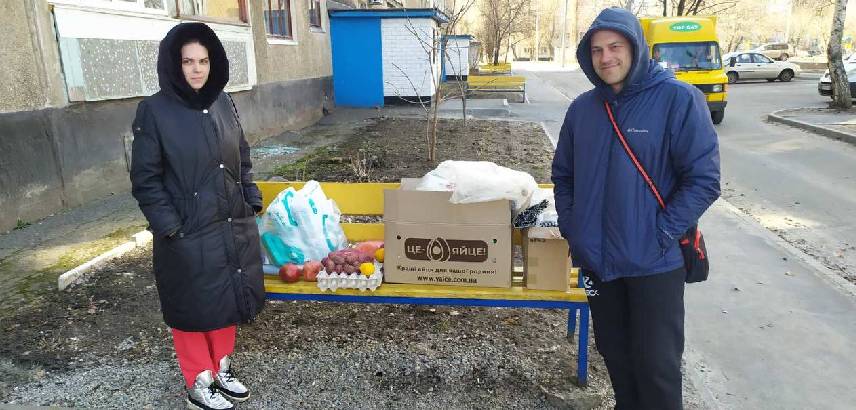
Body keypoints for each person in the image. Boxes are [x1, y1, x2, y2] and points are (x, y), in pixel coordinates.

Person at [551, 8, 720, 410]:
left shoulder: (678, 100)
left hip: (654, 264)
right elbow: (564, 176)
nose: (606, 57)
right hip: (599, 264)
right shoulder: (582, 110)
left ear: (636, 48)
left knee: (657, 369)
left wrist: (661, 232)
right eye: (596, 50)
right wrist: (574, 228)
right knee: (618, 362)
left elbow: (704, 180)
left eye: (615, 47)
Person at [130, 22, 265, 410]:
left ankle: (221, 367)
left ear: (213, 62)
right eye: (188, 61)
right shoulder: (154, 111)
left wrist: (250, 198)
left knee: (225, 300)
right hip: (185, 231)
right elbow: (145, 179)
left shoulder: (224, 102)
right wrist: (170, 227)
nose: (196, 69)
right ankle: (198, 381)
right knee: (191, 308)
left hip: (229, 221)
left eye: (203, 60)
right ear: (175, 64)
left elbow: (241, 155)